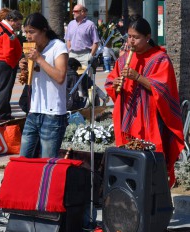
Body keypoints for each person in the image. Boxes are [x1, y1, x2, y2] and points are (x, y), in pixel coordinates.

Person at [104, 15, 184, 188]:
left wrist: (138, 77)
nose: (131, 41)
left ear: (148, 37)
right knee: (128, 165)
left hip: (151, 121)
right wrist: (115, 84)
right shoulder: (124, 59)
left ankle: (154, 199)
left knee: (152, 163)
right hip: (128, 119)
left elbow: (164, 89)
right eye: (129, 36)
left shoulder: (160, 59)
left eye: (136, 37)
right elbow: (110, 82)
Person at [19, 12, 68, 158]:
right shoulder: (32, 49)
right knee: (23, 158)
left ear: (44, 30)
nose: (28, 36)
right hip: (34, 111)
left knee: (47, 161)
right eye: (26, 32)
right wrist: (24, 67)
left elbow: (60, 77)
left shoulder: (58, 47)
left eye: (32, 32)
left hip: (53, 114)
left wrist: (39, 59)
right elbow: (31, 79)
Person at [0, 10, 23, 123]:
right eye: (18, 23)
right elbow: (8, 52)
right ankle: (2, 115)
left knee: (0, 88)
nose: (19, 26)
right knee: (5, 89)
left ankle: (5, 112)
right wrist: (13, 63)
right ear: (12, 20)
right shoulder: (7, 30)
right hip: (4, 62)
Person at [64, 4, 100, 104]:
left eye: (75, 11)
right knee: (72, 76)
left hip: (85, 55)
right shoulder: (71, 24)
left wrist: (90, 56)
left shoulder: (90, 25)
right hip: (73, 55)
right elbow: (68, 39)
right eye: (73, 11)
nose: (73, 13)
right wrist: (69, 51)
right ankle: (79, 99)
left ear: (83, 12)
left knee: (84, 78)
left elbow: (96, 42)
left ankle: (89, 100)